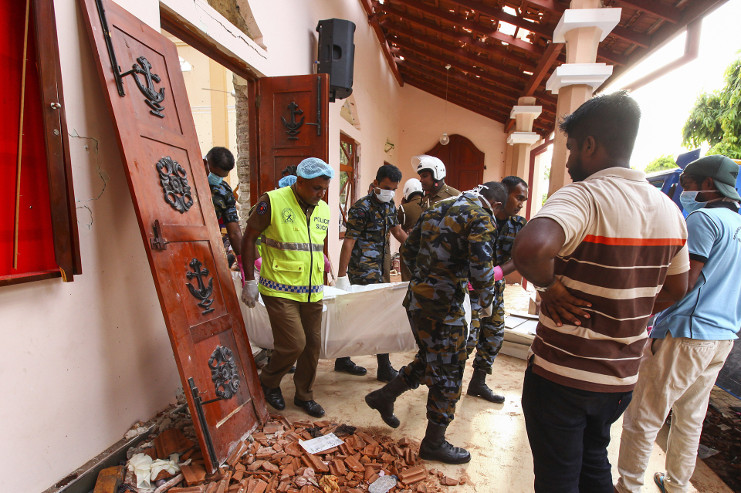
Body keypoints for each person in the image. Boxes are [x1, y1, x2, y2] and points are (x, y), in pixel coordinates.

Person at [511, 91, 690, 493]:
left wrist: (550, 287)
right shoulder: (669, 211)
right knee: (593, 463)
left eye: (572, 148)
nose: (570, 160)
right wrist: (627, 309)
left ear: (590, 145)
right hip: (620, 379)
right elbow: (679, 287)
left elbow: (530, 249)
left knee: (558, 477)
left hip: (563, 376)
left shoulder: (585, 196)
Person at [615, 155, 741, 493]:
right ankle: (677, 484)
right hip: (723, 336)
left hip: (687, 333)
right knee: (691, 417)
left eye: (686, 185)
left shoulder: (703, 218)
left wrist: (641, 313)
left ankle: (627, 486)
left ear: (706, 186)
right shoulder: (738, 224)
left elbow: (684, 282)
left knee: (645, 416)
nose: (684, 192)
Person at [365, 182, 508, 464]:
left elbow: (407, 250)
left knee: (433, 359)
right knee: (450, 370)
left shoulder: (438, 207)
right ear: (497, 205)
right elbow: (481, 274)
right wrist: (485, 303)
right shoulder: (480, 217)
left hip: (418, 301)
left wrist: (425, 279)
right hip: (444, 307)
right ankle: (434, 443)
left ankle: (385, 395)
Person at [240, 157, 334, 418]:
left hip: (312, 290)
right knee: (294, 344)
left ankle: (304, 395)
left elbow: (313, 246)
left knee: (313, 346)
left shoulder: (323, 208)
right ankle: (269, 382)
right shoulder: (272, 201)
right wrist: (249, 280)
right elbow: (249, 239)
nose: (321, 193)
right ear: (300, 182)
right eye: (316, 188)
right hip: (279, 288)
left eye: (324, 188)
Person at [334, 164, 409, 381]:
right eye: (386, 187)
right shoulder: (361, 208)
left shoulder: (389, 205)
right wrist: (341, 277)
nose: (389, 192)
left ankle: (342, 359)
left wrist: (415, 246)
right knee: (378, 316)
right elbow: (349, 242)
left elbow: (396, 231)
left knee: (357, 315)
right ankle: (384, 367)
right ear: (375, 183)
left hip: (380, 269)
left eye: (393, 189)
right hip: (363, 271)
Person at [465, 175, 529, 404]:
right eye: (518, 197)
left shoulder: (520, 226)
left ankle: (478, 383)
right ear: (504, 193)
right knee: (466, 340)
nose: (521, 203)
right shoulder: (478, 217)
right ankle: (444, 386)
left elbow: (520, 257)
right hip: (469, 290)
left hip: (495, 290)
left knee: (493, 337)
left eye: (524, 199)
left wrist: (498, 273)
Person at [205, 147, 241, 266]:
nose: (218, 179)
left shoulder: (224, 191)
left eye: (222, 177)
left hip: (209, 245)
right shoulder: (183, 182)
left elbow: (234, 231)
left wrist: (241, 261)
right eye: (215, 175)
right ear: (205, 163)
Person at [398, 178, 425, 282]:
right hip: (426, 249)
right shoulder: (429, 205)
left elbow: (394, 224)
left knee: (408, 281)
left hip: (408, 249)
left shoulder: (404, 208)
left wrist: (402, 205)